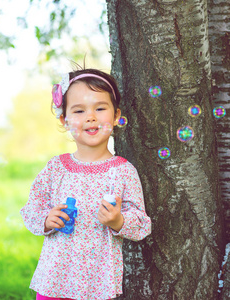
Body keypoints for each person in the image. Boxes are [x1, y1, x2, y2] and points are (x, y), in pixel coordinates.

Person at [20, 67, 152, 300]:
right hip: (54, 281)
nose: (90, 117)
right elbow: (31, 209)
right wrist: (46, 219)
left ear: (115, 115)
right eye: (79, 110)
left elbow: (142, 223)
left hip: (97, 285)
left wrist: (118, 220)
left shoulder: (123, 171)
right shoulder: (56, 168)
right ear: (65, 119)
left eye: (100, 108)